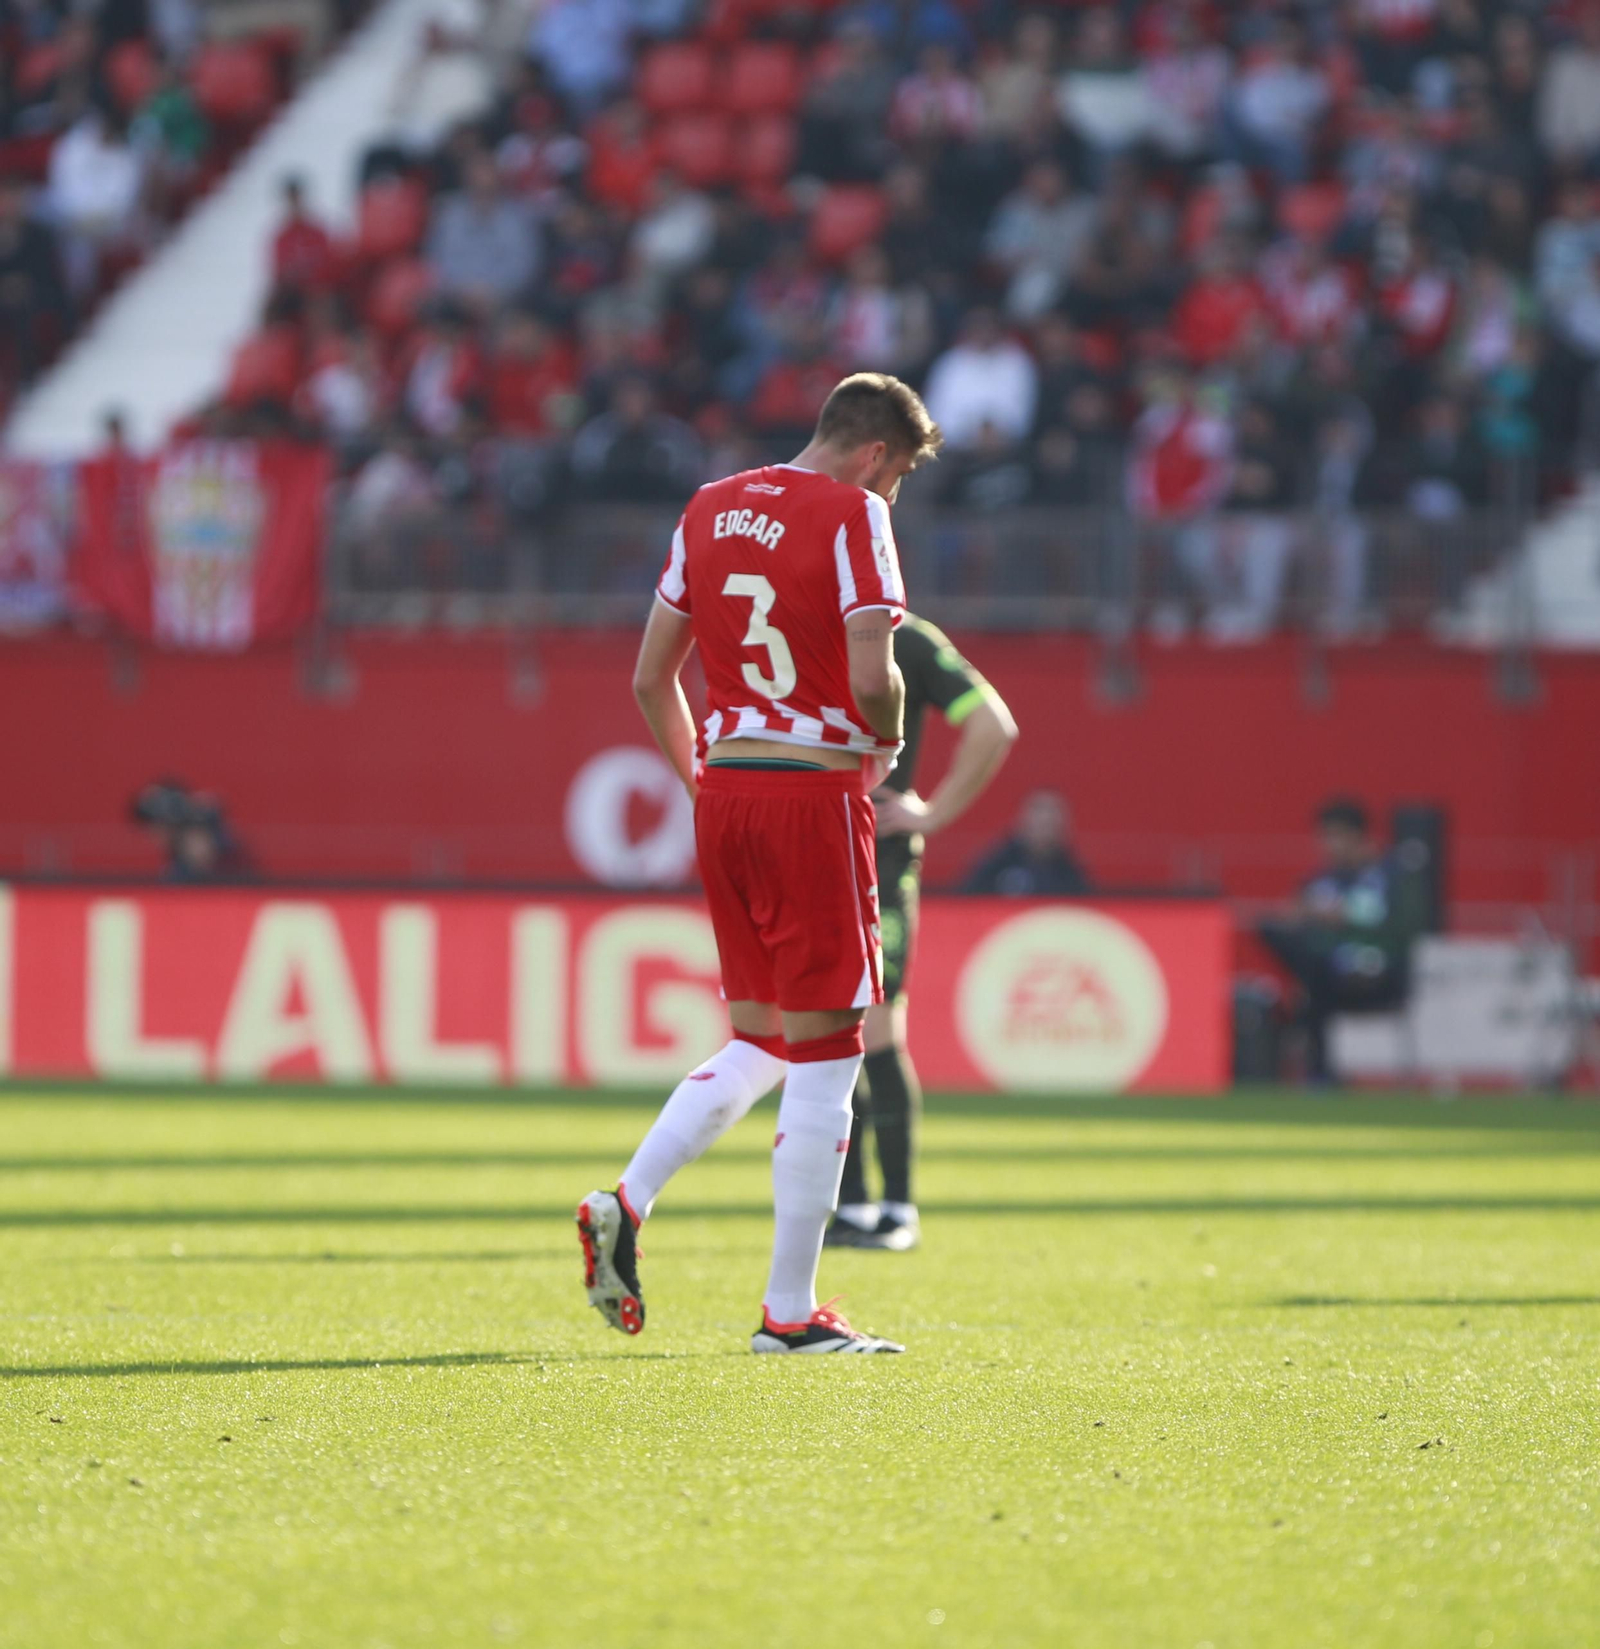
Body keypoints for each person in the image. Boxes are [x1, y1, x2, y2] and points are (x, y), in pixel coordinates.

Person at [577, 371, 942, 1354]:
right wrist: (886, 748)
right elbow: (875, 671)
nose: (894, 490)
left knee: (759, 1041)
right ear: (874, 452)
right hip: (812, 792)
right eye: (901, 472)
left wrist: (703, 783)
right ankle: (790, 1311)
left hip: (727, 793)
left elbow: (651, 676)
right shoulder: (854, 512)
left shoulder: (708, 507)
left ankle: (626, 1195)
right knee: (830, 1051)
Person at [827, 616, 1017, 1252]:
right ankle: (851, 1206)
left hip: (873, 857)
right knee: (823, 1025)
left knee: (873, 1025)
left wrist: (930, 812)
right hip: (813, 850)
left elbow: (993, 723)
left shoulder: (903, 639)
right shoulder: (829, 625)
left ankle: (897, 1206)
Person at [1257, 797, 1417, 1086]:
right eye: (1324, 837)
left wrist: (1344, 917)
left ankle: (1317, 1069)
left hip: (1378, 973)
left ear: (1357, 836)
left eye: (1335, 836)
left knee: (1312, 986)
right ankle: (1318, 1069)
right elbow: (1292, 915)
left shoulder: (1390, 876)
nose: (1328, 845)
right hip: (1327, 972)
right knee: (1276, 935)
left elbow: (1404, 928)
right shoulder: (1319, 881)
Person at [963, 790, 1092, 896]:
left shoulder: (1070, 873)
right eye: (1039, 820)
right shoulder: (997, 863)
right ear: (1023, 820)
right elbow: (964, 899)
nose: (1044, 827)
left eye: (1050, 823)